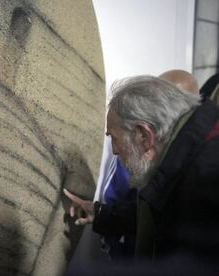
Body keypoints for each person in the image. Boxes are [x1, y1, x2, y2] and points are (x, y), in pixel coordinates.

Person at [65, 75, 219, 263]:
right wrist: (101, 214)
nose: (113, 150)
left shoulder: (207, 180)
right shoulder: (186, 155)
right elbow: (163, 212)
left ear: (144, 136)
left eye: (114, 138)